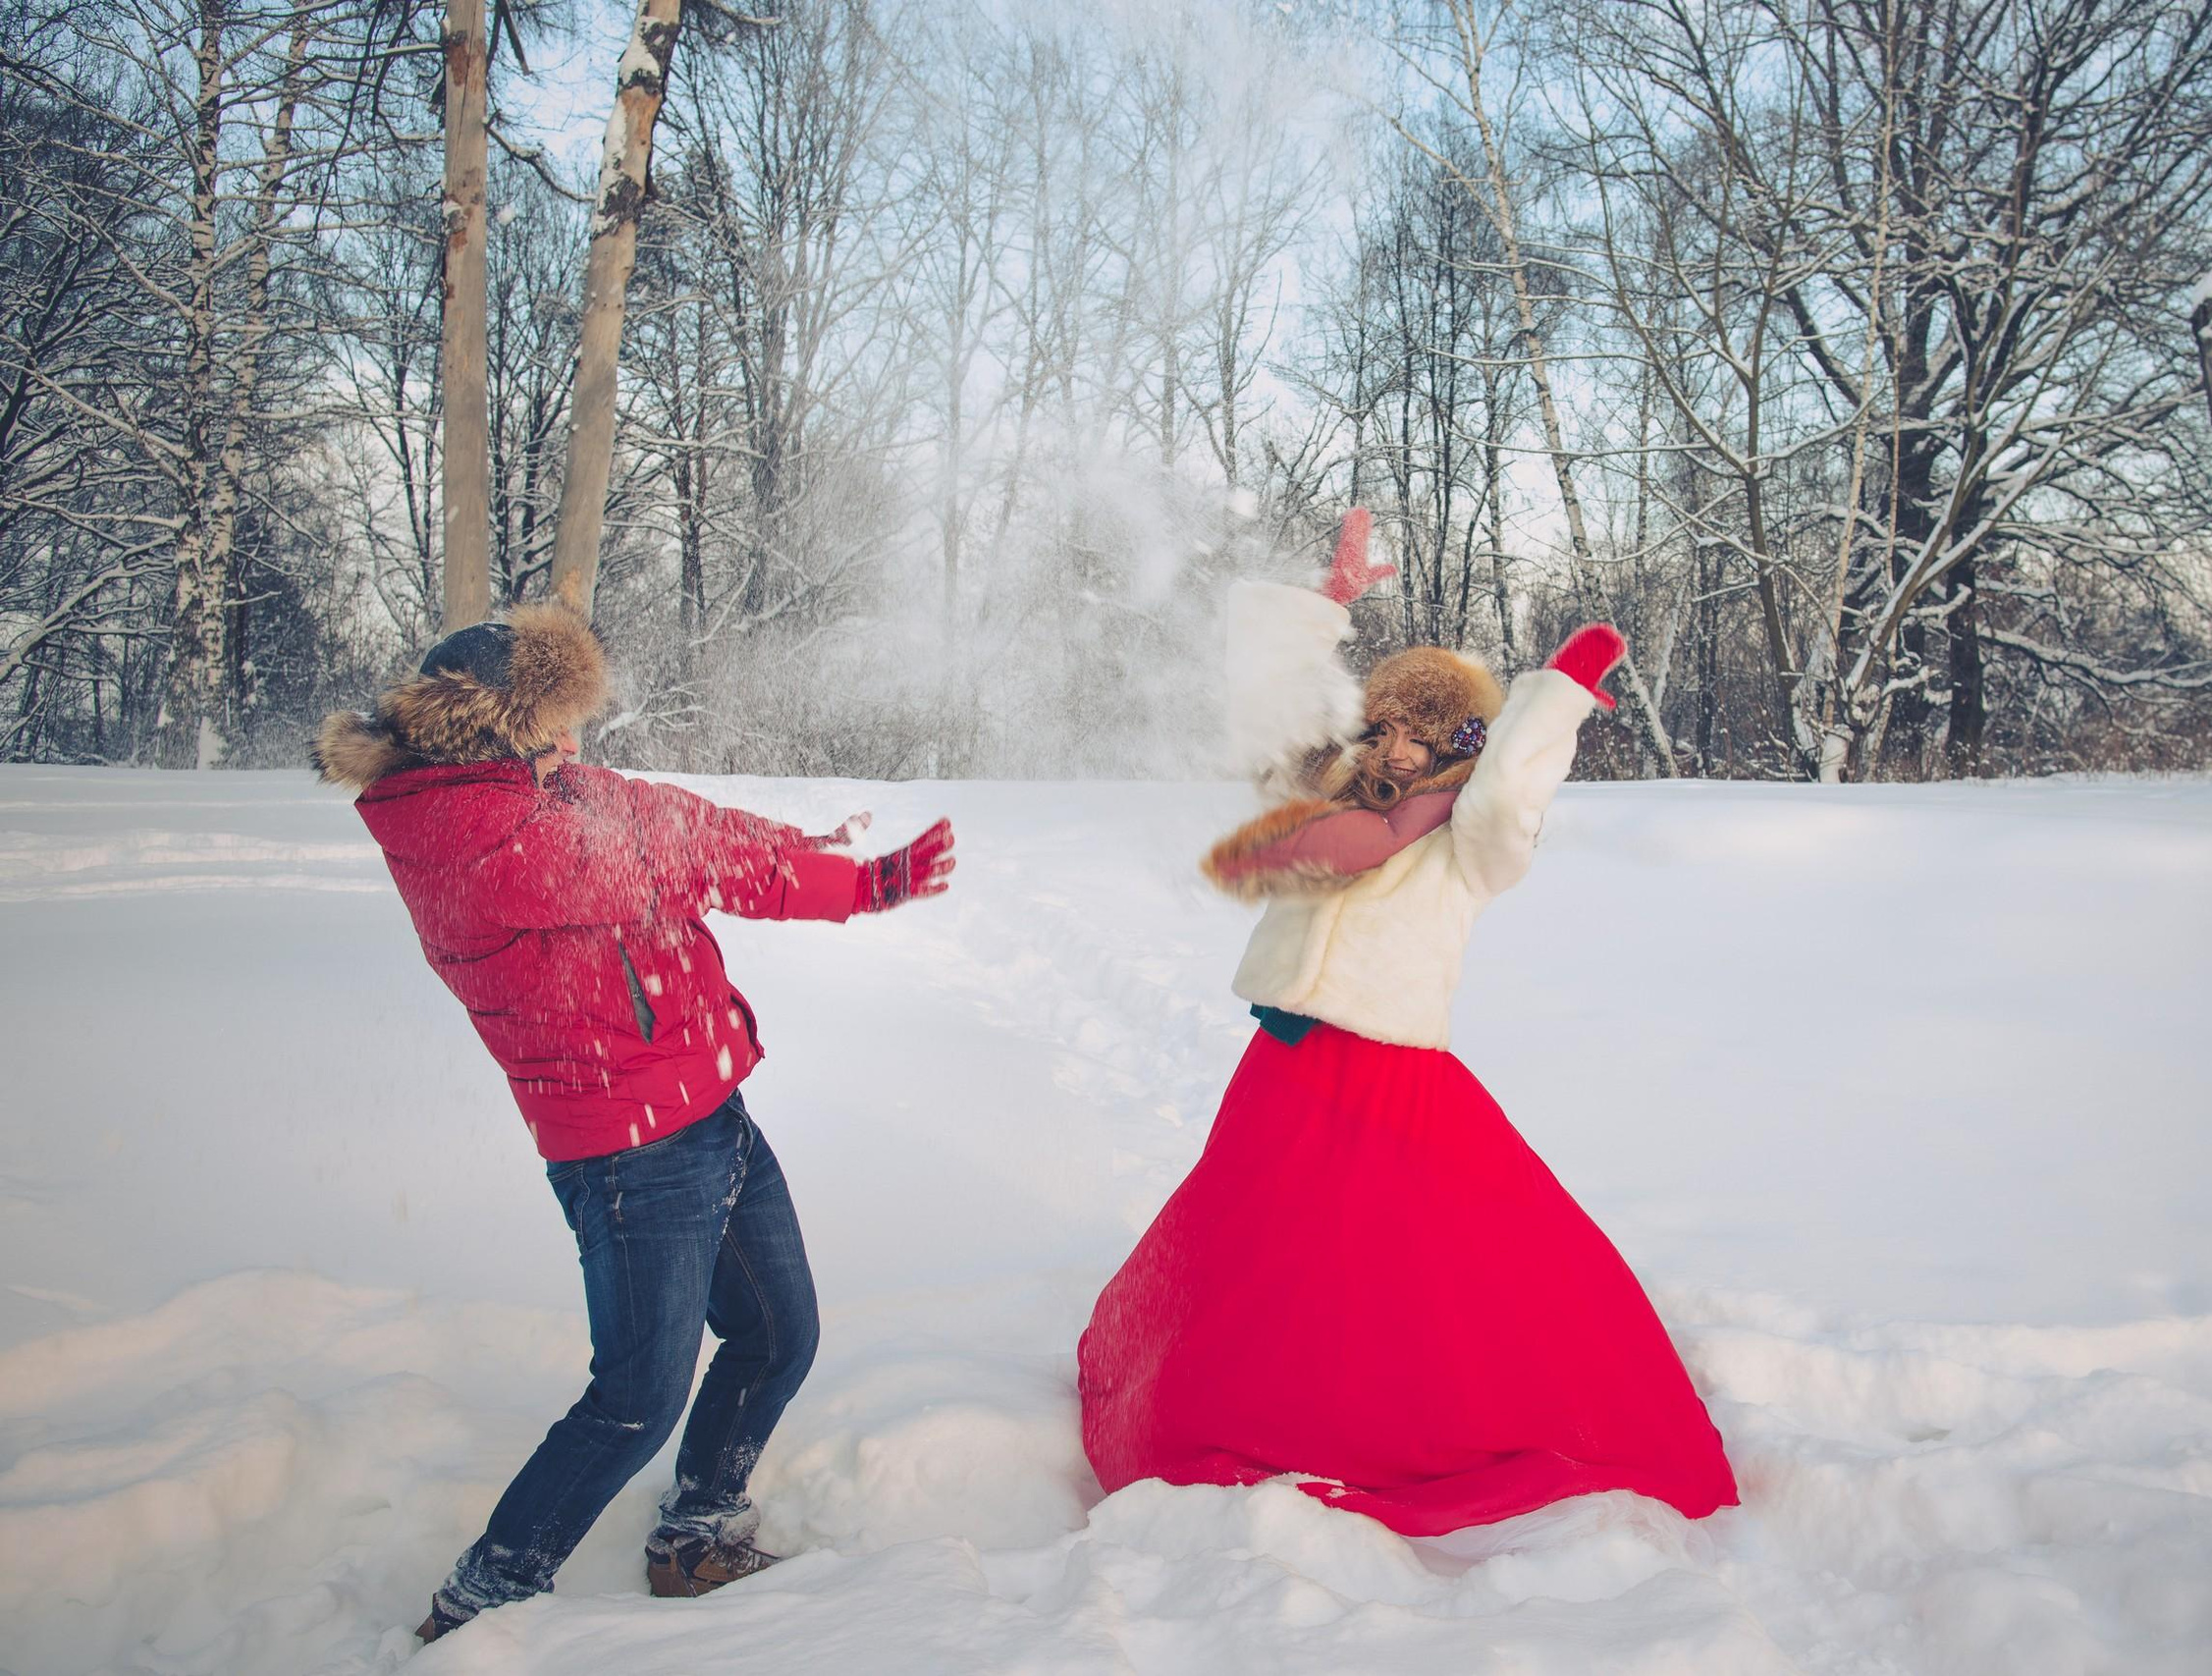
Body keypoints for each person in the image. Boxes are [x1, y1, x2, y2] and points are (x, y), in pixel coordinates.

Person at [1076, 512, 1738, 1538]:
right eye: (1379, 727)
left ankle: (1384, 1423)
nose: (1389, 749)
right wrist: (1319, 613)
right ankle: (1242, 1401)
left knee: (1401, 1268)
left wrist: (1552, 699)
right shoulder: (1327, 803)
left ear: (1458, 749)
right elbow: (1269, 721)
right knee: (1260, 1252)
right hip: (1286, 1064)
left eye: (1416, 738)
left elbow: (1509, 801)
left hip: (1386, 1079)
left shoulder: (1464, 844)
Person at [312, 603, 955, 1642]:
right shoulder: (474, 836)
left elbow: (685, 825)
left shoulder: (543, 789)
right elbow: (676, 857)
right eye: (555, 723)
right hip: (631, 1151)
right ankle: (481, 1602)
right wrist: (855, 883)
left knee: (777, 1336)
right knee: (632, 1400)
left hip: (708, 1107)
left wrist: (805, 847)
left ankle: (699, 1533)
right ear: (492, 733)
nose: (577, 743)